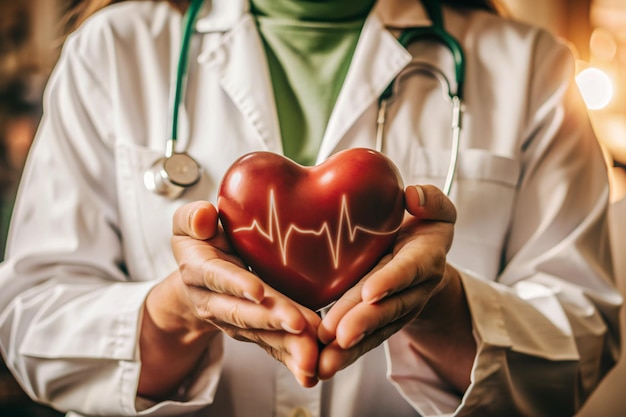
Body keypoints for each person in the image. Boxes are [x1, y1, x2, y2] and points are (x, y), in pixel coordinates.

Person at [0, 0, 621, 416]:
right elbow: (32, 314)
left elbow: (585, 337)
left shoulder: (534, 67)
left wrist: (443, 307)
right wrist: (175, 314)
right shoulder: (112, 50)